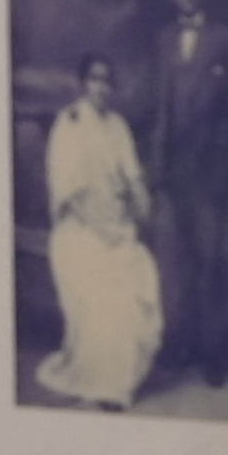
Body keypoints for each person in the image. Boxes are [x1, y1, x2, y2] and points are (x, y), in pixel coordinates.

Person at [37, 53, 164, 409]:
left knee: (134, 283)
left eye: (107, 80)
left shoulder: (117, 125)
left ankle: (120, 381)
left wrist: (139, 201)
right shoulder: (71, 123)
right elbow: (68, 192)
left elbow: (132, 174)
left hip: (117, 224)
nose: (102, 87)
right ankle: (104, 384)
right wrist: (101, 229)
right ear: (83, 83)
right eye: (94, 79)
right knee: (104, 289)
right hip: (81, 228)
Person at [142, 0, 228, 389]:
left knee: (212, 260)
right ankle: (178, 344)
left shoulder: (224, 39)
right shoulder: (162, 40)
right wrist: (155, 166)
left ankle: (213, 353)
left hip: (209, 168)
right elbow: (161, 105)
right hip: (172, 166)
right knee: (173, 261)